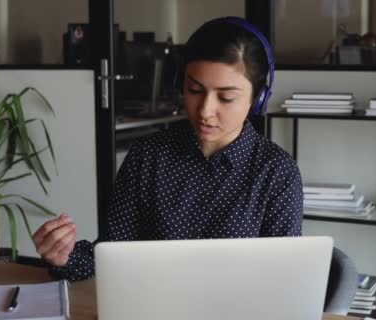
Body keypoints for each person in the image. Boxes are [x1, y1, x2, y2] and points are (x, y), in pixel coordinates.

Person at [32, 17, 304, 282]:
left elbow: (280, 281)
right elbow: (113, 256)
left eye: (226, 97)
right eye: (194, 90)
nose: (206, 110)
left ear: (258, 99)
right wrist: (64, 256)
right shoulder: (148, 156)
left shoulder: (277, 173)